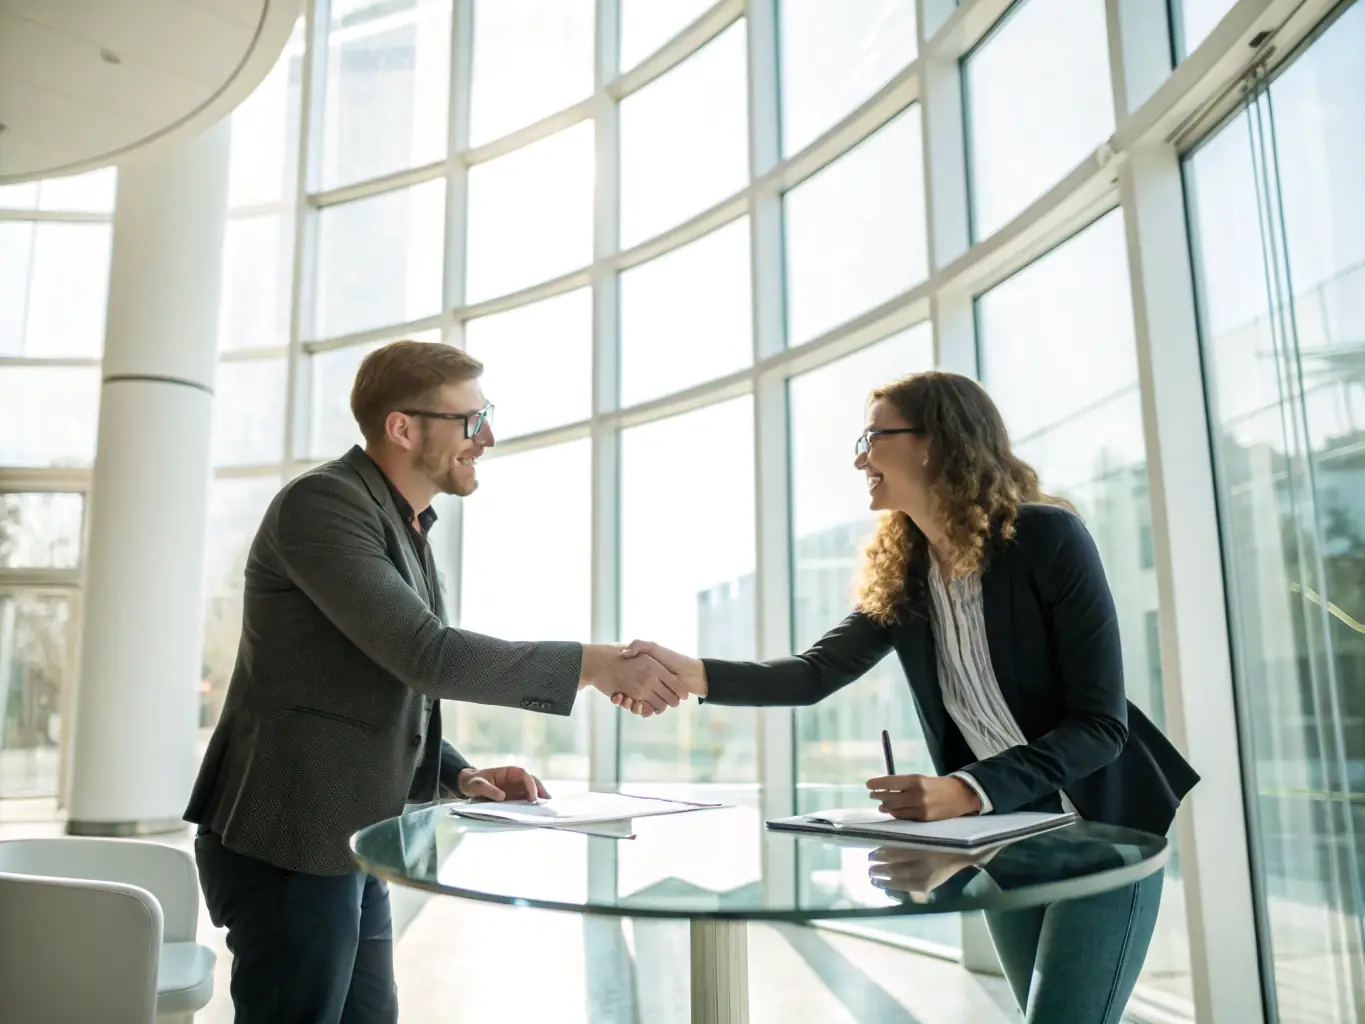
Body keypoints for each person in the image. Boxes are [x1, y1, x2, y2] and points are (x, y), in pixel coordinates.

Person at [616, 370, 1200, 1024]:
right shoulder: (908, 574)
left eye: (873, 438)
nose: (859, 459)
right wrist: (688, 673)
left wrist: (965, 790)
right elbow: (813, 674)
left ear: (934, 442)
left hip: (1103, 830)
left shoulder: (1048, 538)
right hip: (1004, 837)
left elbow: (1100, 726)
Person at [184, 340, 684, 1023]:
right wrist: (593, 665)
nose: (487, 437)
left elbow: (383, 685)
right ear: (401, 427)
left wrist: (459, 774)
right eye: (471, 420)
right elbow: (426, 655)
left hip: (353, 837)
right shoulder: (323, 505)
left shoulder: (403, 525)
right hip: (290, 839)